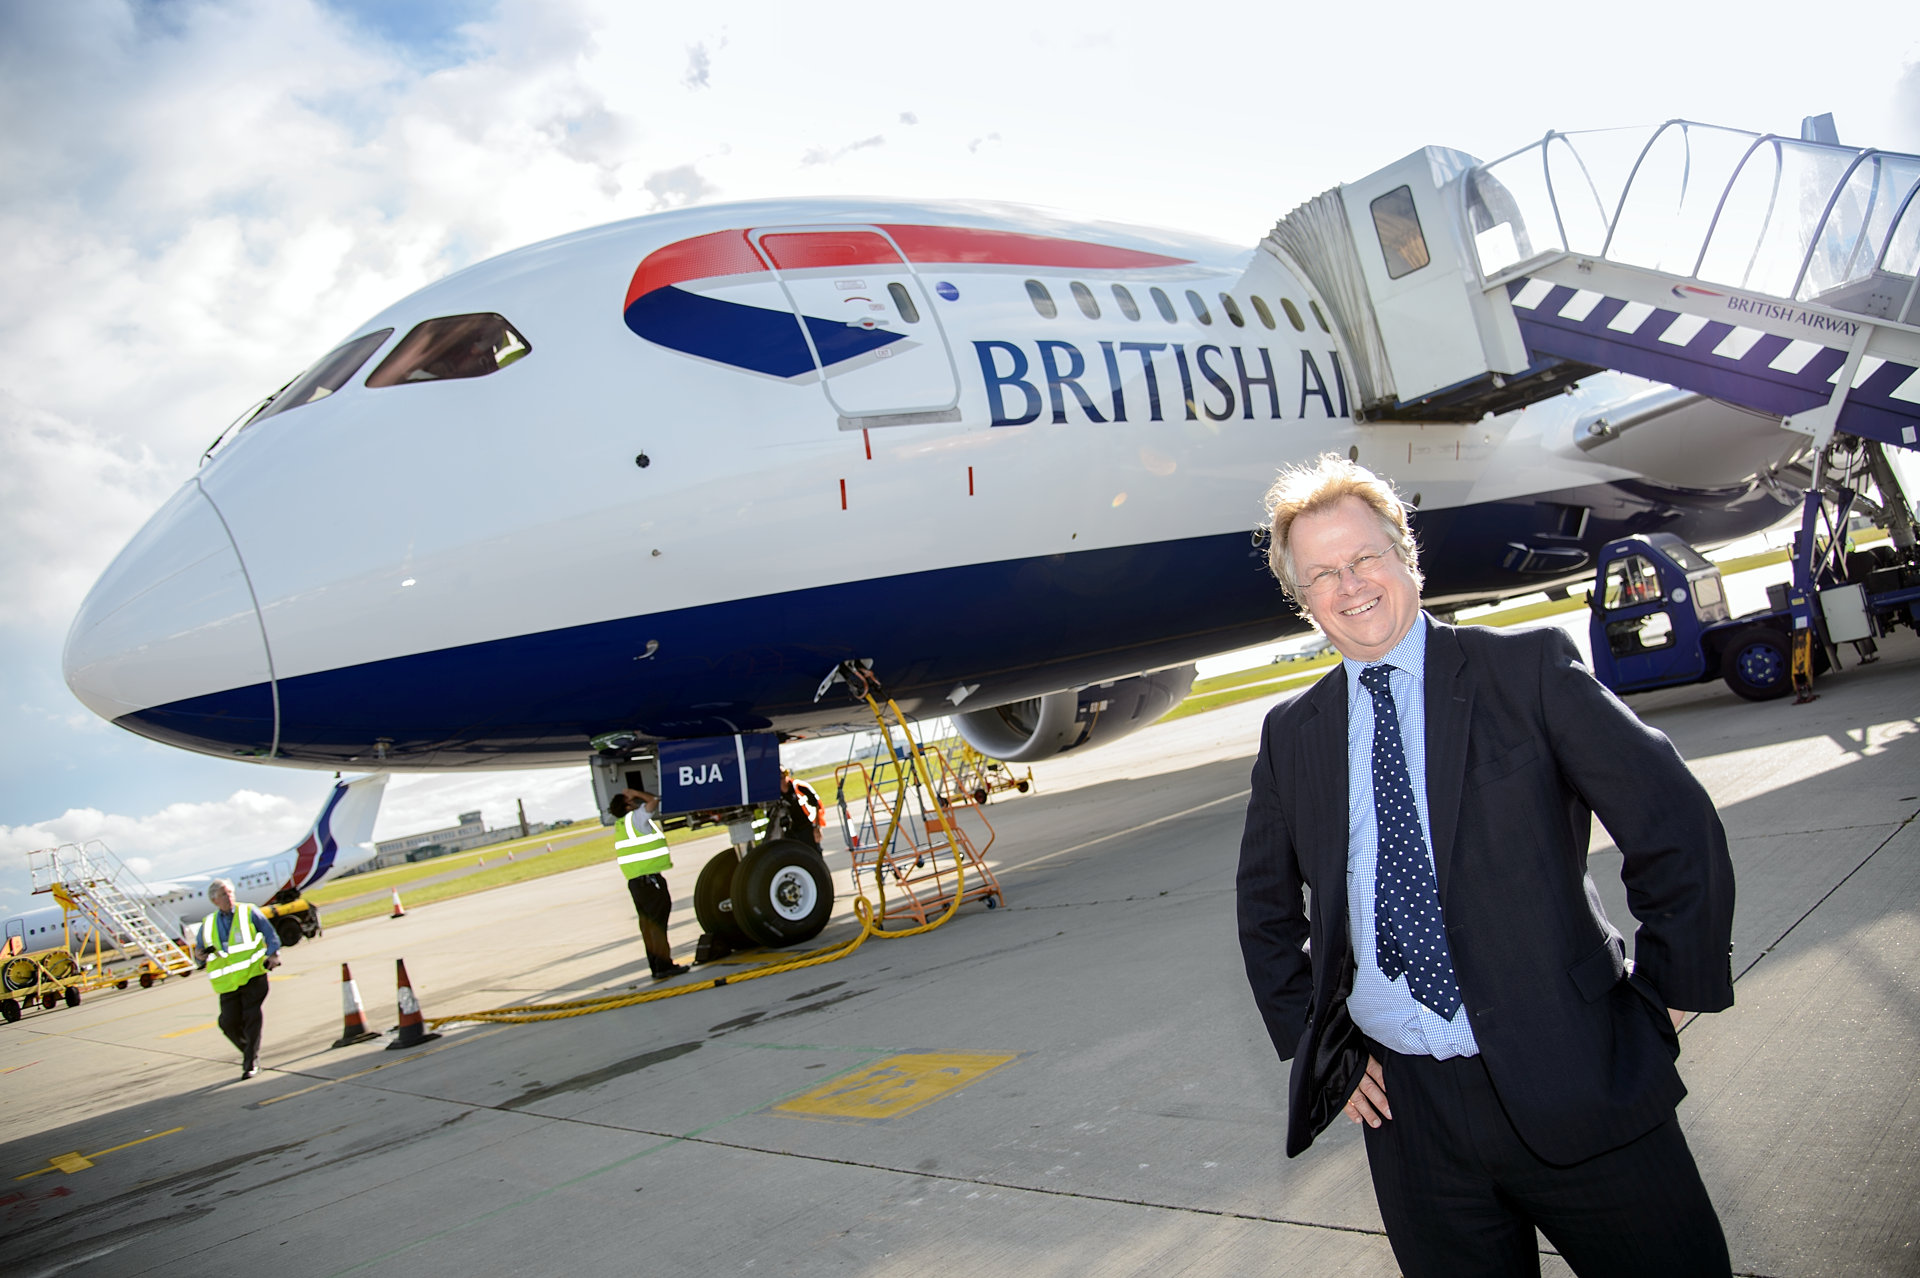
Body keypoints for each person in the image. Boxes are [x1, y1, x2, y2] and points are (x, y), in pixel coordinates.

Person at [1236, 454, 1736, 1278]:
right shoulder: (1293, 734)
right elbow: (1265, 910)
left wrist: (1671, 996)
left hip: (1579, 1073)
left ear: (1405, 557)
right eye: (1322, 574)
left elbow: (1673, 823)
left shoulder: (1525, 671)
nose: (1350, 585)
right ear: (1303, 598)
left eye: (1364, 558)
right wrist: (1316, 1047)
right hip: (1412, 1122)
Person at [192, 878, 281, 1079]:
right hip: (228, 983)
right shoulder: (208, 923)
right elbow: (199, 951)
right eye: (224, 894)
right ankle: (250, 1052)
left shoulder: (248, 911)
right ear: (215, 900)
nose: (229, 897)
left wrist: (274, 954)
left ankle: (250, 1062)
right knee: (228, 1023)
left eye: (230, 893)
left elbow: (270, 935)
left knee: (251, 1017)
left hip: (253, 975)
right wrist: (199, 956)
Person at [608, 788, 689, 979]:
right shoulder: (635, 818)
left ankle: (656, 966)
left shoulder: (621, 825)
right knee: (658, 924)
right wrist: (634, 792)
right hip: (650, 882)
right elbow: (653, 801)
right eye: (631, 800)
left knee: (648, 926)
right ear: (627, 805)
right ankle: (664, 966)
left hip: (636, 883)